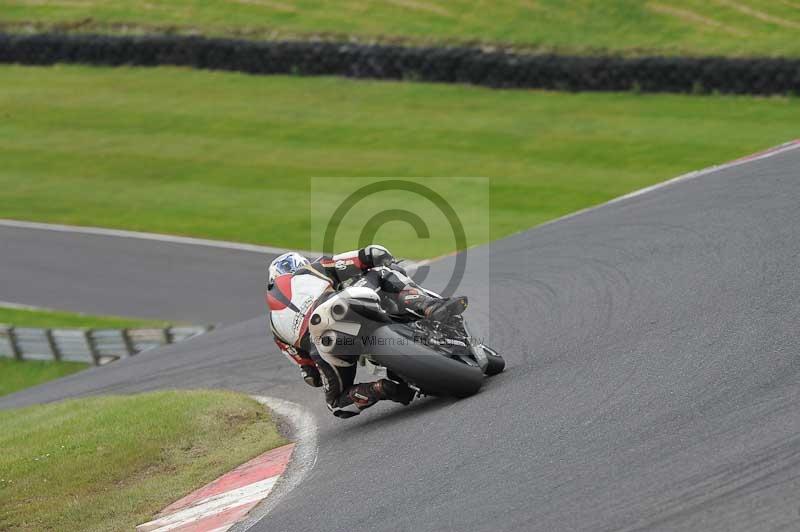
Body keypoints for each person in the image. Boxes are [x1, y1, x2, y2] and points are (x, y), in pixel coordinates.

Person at [266, 245, 468, 418]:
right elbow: (364, 256)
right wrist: (380, 257)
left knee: (337, 403)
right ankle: (430, 306)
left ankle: (379, 389)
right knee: (379, 271)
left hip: (322, 343)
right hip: (338, 304)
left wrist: (316, 367)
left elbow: (310, 375)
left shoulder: (275, 327)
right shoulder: (311, 269)